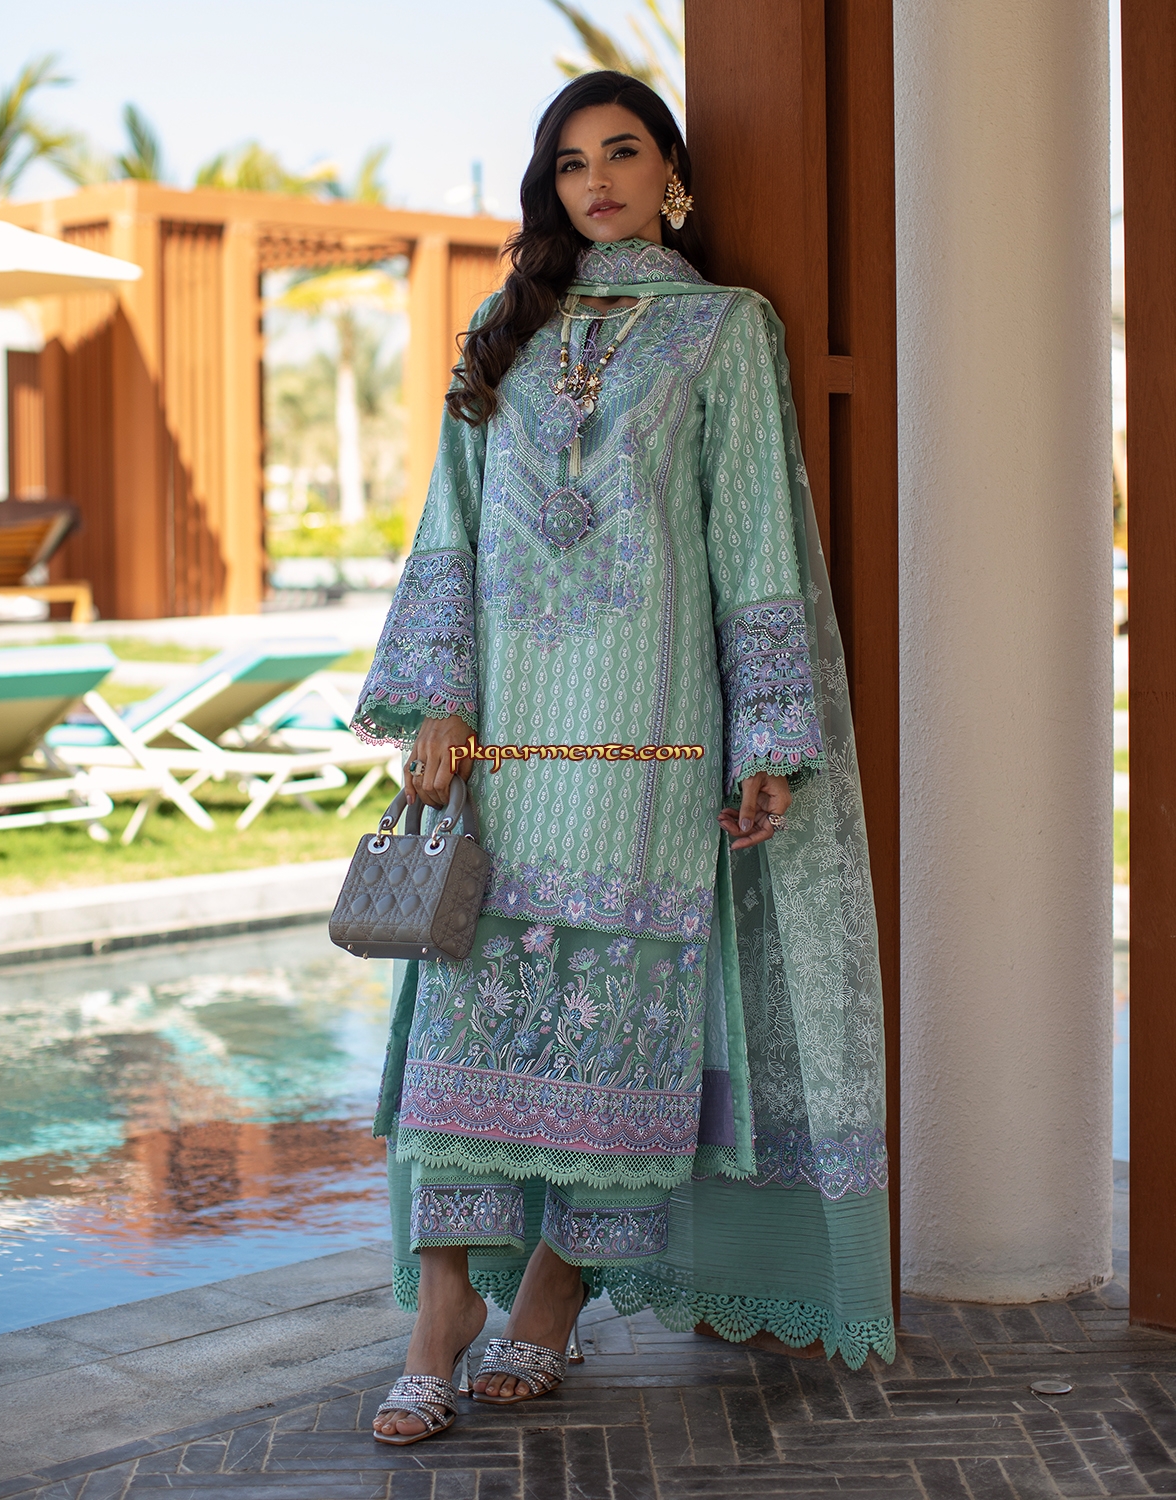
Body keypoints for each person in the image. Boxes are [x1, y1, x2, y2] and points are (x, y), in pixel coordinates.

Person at [353, 70, 893, 1447]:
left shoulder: (725, 333)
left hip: (651, 750)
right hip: (508, 747)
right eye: (570, 161)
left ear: (670, 175)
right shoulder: (504, 330)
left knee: (618, 1045)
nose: (596, 180)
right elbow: (450, 525)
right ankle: (439, 1315)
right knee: (465, 1026)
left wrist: (769, 738)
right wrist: (435, 700)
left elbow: (753, 538)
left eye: (623, 151)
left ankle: (547, 1300)